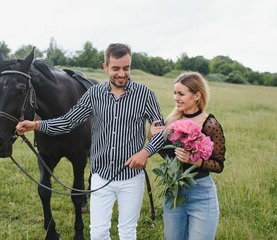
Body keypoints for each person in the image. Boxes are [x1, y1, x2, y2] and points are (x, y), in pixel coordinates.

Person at [16, 43, 165, 240]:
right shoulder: (94, 94)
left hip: (131, 177)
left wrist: (145, 152)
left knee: (127, 232)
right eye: (116, 68)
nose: (122, 74)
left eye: (126, 68)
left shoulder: (145, 95)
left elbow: (160, 131)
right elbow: (68, 121)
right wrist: (36, 125)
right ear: (106, 68)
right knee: (98, 233)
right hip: (100, 177)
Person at [149, 71, 226, 240]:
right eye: (175, 93)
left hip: (201, 193)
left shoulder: (210, 124)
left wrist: (195, 160)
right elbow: (168, 155)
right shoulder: (172, 121)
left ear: (197, 95)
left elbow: (219, 164)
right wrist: (153, 137)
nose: (176, 98)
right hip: (173, 192)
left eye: (181, 94)